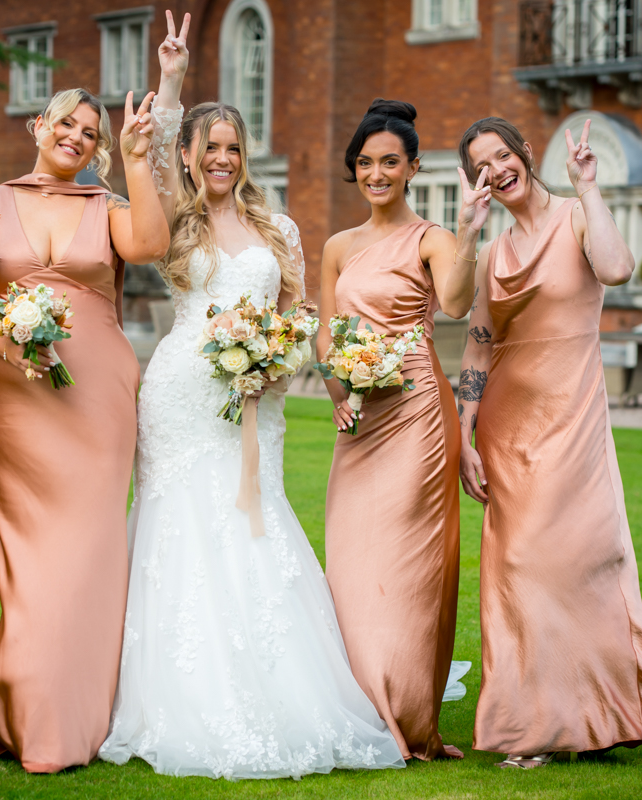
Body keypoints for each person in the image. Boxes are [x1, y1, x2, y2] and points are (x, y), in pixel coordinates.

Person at [98, 12, 405, 780]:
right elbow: (158, 153)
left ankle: (274, 687)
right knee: (182, 526)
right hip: (179, 396)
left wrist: (276, 361)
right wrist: (171, 77)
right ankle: (178, 691)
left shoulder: (280, 231)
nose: (223, 160)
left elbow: (301, 314)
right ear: (193, 158)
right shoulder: (175, 221)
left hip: (253, 399)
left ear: (245, 156)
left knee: (252, 525)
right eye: (211, 149)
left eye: (233, 148)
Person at [456, 116, 642, 768]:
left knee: (572, 567)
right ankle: (535, 725)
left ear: (524, 153)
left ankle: (588, 717)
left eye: (503, 154)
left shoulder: (577, 218)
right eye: (482, 164)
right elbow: (477, 342)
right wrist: (465, 431)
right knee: (517, 571)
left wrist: (588, 185)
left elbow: (616, 268)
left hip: (574, 422)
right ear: (476, 178)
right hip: (507, 431)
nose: (497, 168)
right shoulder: (493, 253)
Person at [0, 87, 169, 773]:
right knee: (29, 554)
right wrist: (13, 347)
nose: (76, 136)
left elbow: (153, 243)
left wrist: (137, 157)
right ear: (38, 126)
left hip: (97, 393)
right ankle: (23, 708)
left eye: (90, 131)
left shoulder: (106, 207)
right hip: (14, 394)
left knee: (89, 550)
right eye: (66, 123)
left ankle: (73, 718)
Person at [316, 98, 481, 762]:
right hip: (359, 417)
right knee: (353, 563)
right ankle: (358, 703)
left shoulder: (433, 239)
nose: (376, 173)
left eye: (389, 162)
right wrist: (339, 390)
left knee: (408, 567)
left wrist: (469, 229)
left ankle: (408, 717)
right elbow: (326, 332)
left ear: (413, 167)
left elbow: (458, 304)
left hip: (415, 415)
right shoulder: (337, 246)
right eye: (365, 163)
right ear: (354, 169)